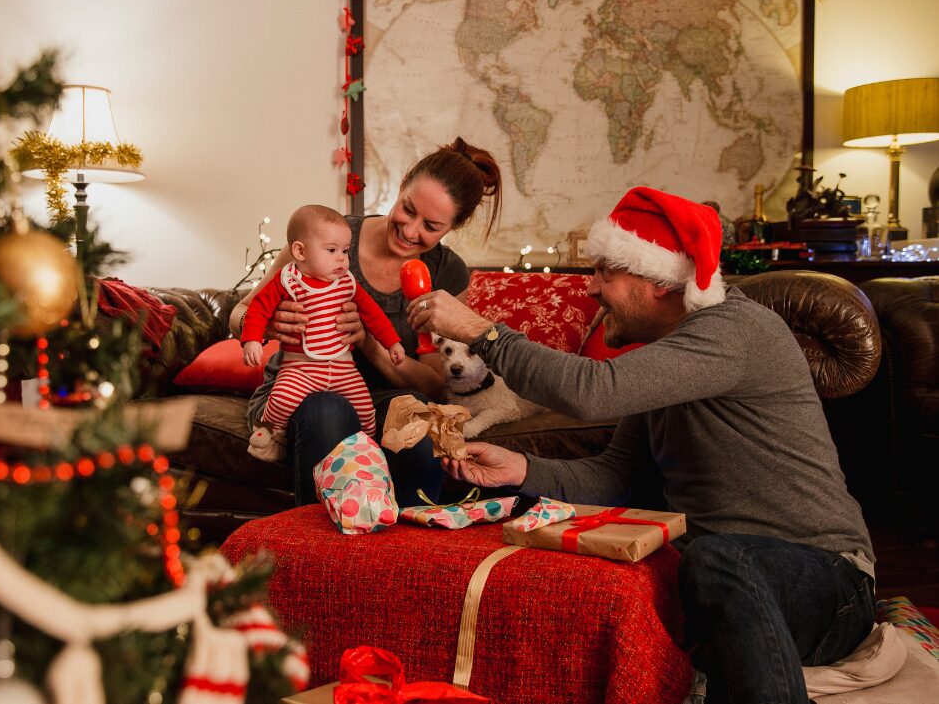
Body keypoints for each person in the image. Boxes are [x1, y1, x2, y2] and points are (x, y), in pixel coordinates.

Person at [409, 186, 875, 704]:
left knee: (715, 559)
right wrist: (520, 469)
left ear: (659, 282)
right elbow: (618, 479)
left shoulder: (736, 330)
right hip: (723, 580)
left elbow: (590, 391)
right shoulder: (666, 356)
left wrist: (482, 332)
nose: (592, 289)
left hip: (829, 582)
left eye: (606, 271)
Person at [229, 137, 503, 507]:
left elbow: (434, 384)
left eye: (431, 226)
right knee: (329, 410)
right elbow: (238, 315)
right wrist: (269, 325)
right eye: (408, 209)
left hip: (373, 400)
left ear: (452, 228)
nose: (409, 231)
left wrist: (370, 344)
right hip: (298, 393)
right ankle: (316, 553)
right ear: (402, 184)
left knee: (416, 414)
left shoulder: (446, 273)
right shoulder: (328, 238)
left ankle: (409, 547)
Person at [240, 205, 405, 461]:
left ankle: (371, 450)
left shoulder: (347, 283)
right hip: (300, 370)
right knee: (282, 399)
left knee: (365, 408)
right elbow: (257, 309)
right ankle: (271, 436)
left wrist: (392, 342)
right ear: (300, 251)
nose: (341, 258)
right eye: (331, 250)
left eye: (345, 251)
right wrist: (252, 339)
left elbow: (373, 315)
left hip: (344, 370)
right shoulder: (287, 280)